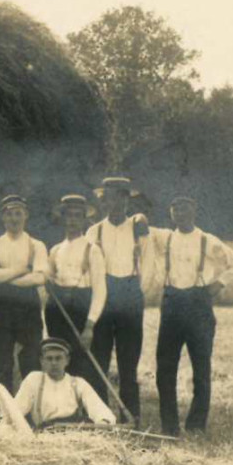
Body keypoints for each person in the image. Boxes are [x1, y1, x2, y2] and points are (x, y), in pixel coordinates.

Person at [144, 195, 233, 436]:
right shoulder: (163, 237)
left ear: (194, 211)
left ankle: (196, 424)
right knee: (165, 367)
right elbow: (140, 225)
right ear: (171, 214)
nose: (180, 214)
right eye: (175, 209)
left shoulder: (207, 240)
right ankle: (169, 425)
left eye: (185, 209)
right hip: (171, 304)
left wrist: (219, 283)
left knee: (201, 367)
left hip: (199, 305)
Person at [84, 176, 153, 423]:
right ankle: (102, 418)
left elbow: (148, 263)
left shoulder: (138, 227)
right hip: (103, 295)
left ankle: (131, 417)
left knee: (128, 363)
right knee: (99, 361)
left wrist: (137, 293)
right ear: (103, 201)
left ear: (127, 199)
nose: (115, 202)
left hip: (130, 294)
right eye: (110, 197)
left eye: (121, 197)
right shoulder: (94, 231)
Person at [0, 193, 49, 393]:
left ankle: (30, 410)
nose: (14, 219)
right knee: (2, 361)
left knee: (31, 361)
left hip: (28, 306)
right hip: (1, 306)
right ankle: (5, 412)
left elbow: (40, 278)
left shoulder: (36, 245)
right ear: (3, 217)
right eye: (9, 214)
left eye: (18, 214)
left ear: (26, 215)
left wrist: (5, 277)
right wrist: (22, 271)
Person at [43, 193, 105, 396]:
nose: (73, 220)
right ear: (62, 219)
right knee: (59, 361)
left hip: (81, 309)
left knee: (84, 365)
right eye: (69, 216)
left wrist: (90, 325)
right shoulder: (55, 250)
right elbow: (47, 283)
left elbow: (100, 291)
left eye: (78, 216)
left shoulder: (92, 250)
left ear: (84, 220)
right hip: (57, 310)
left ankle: (90, 413)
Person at [14, 337, 115, 430]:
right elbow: (15, 410)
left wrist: (104, 422)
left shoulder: (77, 383)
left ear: (67, 360)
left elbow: (99, 409)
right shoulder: (34, 380)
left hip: (73, 434)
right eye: (49, 358)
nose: (54, 363)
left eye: (58, 358)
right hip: (45, 435)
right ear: (42, 361)